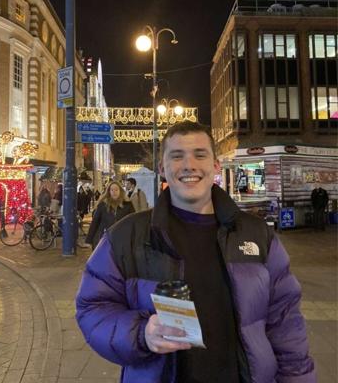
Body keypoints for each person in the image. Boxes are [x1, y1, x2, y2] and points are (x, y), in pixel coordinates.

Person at [76, 121, 315, 383]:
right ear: (162, 169)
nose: (189, 165)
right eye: (177, 156)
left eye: (200, 155)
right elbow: (92, 308)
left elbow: (286, 322)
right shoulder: (126, 236)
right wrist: (141, 334)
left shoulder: (257, 234)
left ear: (215, 165)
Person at [85, 181, 134, 250]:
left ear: (120, 191)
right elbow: (95, 222)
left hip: (122, 239)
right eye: (112, 190)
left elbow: (132, 222)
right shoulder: (102, 205)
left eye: (116, 190)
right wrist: (89, 240)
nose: (114, 192)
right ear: (109, 192)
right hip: (104, 238)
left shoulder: (128, 205)